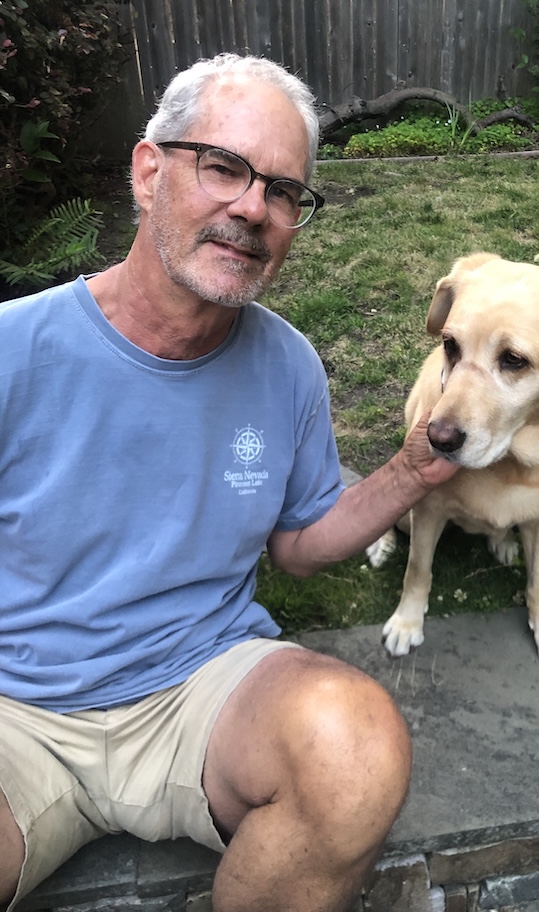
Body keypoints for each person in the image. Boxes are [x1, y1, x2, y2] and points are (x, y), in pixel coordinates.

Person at [0, 52, 458, 912]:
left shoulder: (288, 367)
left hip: (202, 687)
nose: (253, 207)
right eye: (223, 167)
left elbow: (298, 547)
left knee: (357, 749)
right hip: (17, 710)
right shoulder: (12, 350)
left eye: (282, 190)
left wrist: (410, 472)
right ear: (149, 172)